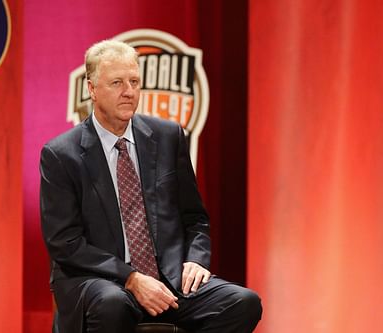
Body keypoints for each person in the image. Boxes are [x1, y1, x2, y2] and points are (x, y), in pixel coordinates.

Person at [40, 39, 262, 333]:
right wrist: (131, 277)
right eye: (117, 82)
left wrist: (196, 260)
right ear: (92, 89)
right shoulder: (61, 154)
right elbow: (65, 243)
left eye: (134, 81)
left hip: (169, 278)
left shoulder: (168, 136)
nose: (129, 92)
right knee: (112, 305)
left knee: (243, 302)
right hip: (100, 280)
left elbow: (194, 217)